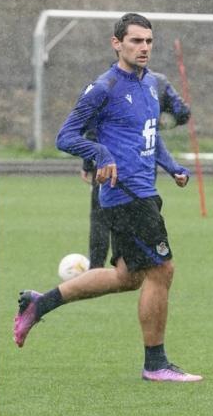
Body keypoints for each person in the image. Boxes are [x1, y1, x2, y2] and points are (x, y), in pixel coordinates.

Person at [13, 13, 202, 383]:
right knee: (163, 270)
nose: (143, 47)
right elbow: (65, 137)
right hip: (125, 195)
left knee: (127, 276)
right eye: (135, 41)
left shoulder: (151, 85)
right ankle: (156, 364)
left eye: (148, 41)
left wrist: (172, 166)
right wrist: (102, 155)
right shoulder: (104, 87)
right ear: (117, 43)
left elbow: (150, 134)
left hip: (144, 192)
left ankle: (40, 302)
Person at [80, 72, 191, 269]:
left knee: (101, 218)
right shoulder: (160, 83)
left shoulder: (109, 84)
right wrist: (163, 121)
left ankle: (98, 268)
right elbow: (182, 112)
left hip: (110, 168)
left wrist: (88, 164)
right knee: (139, 218)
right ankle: (125, 265)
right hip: (144, 169)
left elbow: (93, 127)